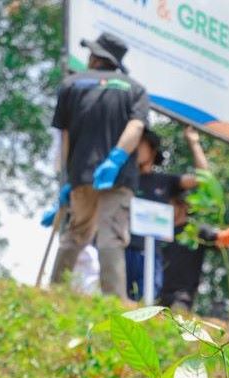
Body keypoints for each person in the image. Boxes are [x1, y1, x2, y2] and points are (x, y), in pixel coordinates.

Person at [47, 32, 149, 299]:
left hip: (82, 174)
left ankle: (55, 292)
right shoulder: (135, 89)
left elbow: (64, 136)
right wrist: (116, 158)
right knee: (111, 236)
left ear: (94, 57)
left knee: (76, 233)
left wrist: (66, 179)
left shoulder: (71, 85)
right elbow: (136, 126)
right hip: (118, 176)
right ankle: (113, 301)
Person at [126, 126, 209, 301]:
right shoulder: (124, 179)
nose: (135, 148)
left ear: (152, 150)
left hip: (150, 252)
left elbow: (204, 178)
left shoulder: (165, 181)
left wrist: (193, 142)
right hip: (124, 250)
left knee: (146, 299)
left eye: (140, 144)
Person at [158, 191, 229, 312]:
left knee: (177, 320)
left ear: (184, 206)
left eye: (172, 204)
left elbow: (224, 239)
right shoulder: (161, 230)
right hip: (157, 292)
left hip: (182, 295)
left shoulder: (196, 231)